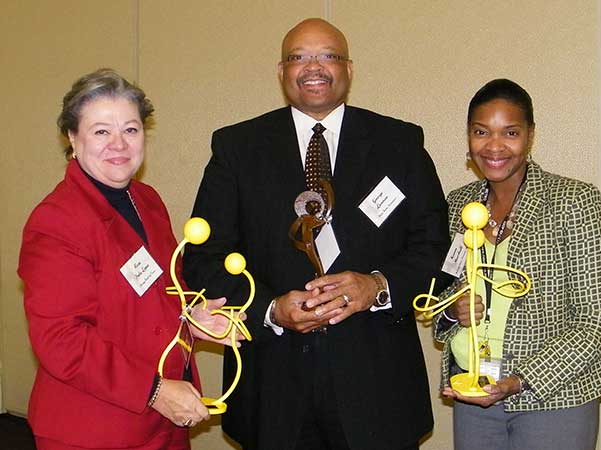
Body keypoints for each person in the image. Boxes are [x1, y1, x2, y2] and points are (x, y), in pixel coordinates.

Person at [183, 18, 450, 450]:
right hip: (274, 386)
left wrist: (378, 286)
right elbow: (202, 259)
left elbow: (435, 248)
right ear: (281, 71)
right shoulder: (237, 148)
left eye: (328, 55)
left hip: (378, 387)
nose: (313, 67)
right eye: (298, 57)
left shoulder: (399, 143)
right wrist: (269, 308)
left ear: (349, 68)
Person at [18, 68, 241, 450]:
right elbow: (62, 340)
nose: (119, 144)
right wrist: (154, 392)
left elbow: (158, 288)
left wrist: (191, 317)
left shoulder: (146, 200)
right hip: (94, 428)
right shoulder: (56, 220)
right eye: (101, 131)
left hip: (163, 421)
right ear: (72, 138)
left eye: (131, 130)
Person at [434, 78, 601, 450]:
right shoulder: (456, 205)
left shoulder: (574, 200)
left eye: (511, 132)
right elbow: (440, 294)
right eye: (481, 132)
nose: (494, 146)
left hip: (555, 395)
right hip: (474, 391)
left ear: (530, 135)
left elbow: (598, 318)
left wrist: (521, 379)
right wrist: (453, 312)